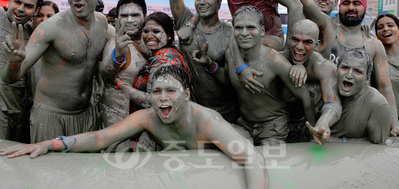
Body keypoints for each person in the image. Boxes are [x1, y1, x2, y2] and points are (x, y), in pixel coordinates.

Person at [0, 65, 268, 189]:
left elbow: (252, 158)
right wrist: (53, 143)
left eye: (171, 91)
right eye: (157, 91)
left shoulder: (207, 122)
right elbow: (101, 138)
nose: (163, 98)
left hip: (231, 142)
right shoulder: (149, 116)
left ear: (186, 94)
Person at [289, 0, 399, 135]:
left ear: (364, 9)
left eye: (356, 3)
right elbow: (304, 0)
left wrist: (394, 123)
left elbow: (385, 88)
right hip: (323, 109)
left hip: (358, 113)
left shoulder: (373, 44)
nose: (350, 7)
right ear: (339, 7)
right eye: (346, 3)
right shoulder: (328, 28)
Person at [1, 0, 108, 143]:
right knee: (48, 170)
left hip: (86, 114)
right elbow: (9, 78)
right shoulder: (50, 28)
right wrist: (13, 63)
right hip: (50, 116)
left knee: (82, 169)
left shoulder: (102, 23)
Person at [150, 0, 239, 123]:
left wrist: (209, 64)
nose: (202, 2)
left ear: (219, 0)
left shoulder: (230, 33)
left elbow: (232, 80)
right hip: (191, 110)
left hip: (225, 112)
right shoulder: (185, 22)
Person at [194, 6, 316, 145]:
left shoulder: (275, 61)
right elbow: (229, 81)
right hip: (245, 125)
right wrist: (209, 64)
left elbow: (306, 97)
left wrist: (313, 132)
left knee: (270, 161)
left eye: (251, 27)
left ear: (262, 31)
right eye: (239, 28)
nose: (244, 33)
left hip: (273, 127)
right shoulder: (231, 54)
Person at [307, 49, 390, 144]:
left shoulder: (377, 105)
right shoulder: (322, 90)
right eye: (345, 68)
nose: (349, 75)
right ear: (336, 69)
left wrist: (339, 141)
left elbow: (378, 147)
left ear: (367, 77)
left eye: (357, 71)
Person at [281, 19, 342, 143]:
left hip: (309, 122)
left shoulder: (323, 67)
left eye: (307, 42)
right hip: (279, 123)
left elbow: (333, 101)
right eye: (295, 40)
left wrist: (324, 122)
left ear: (317, 45)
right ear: (288, 39)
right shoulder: (278, 60)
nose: (299, 47)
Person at [116, 12, 191, 109]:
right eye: (146, 31)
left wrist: (117, 83)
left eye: (156, 32)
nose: (149, 36)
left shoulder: (164, 58)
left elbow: (151, 100)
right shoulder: (166, 52)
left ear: (169, 35)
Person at [0, 0, 43, 143]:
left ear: (36, 10)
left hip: (21, 112)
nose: (20, 8)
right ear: (10, 1)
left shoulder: (34, 34)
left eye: (28, 5)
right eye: (17, 2)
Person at [99, 0, 148, 127]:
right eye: (124, 16)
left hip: (144, 119)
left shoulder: (151, 41)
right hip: (117, 119)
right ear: (118, 19)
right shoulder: (114, 44)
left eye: (135, 15)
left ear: (145, 17)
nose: (129, 20)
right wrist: (118, 55)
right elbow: (106, 75)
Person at [375, 14, 399, 120]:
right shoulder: (376, 60)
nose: (385, 29)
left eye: (390, 25)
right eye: (380, 27)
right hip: (388, 121)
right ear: (376, 34)